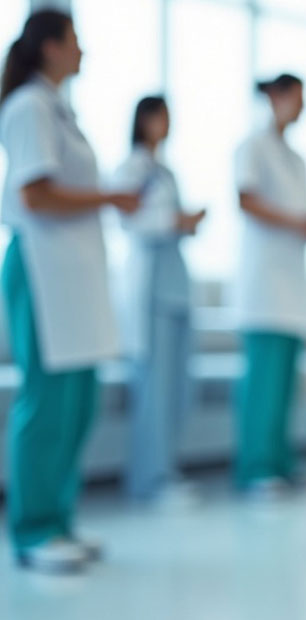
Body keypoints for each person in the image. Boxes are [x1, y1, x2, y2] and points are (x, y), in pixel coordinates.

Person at [0, 9, 139, 573]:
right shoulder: (29, 106)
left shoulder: (60, 109)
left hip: (74, 274)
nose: (83, 51)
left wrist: (105, 199)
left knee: (79, 402)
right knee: (48, 400)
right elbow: (35, 194)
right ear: (51, 47)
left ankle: (58, 519)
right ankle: (33, 529)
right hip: (40, 266)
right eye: (76, 40)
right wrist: (110, 199)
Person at [111, 95, 205, 506]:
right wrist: (173, 221)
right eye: (161, 116)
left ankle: (168, 469)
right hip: (149, 285)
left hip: (175, 281)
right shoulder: (130, 168)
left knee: (176, 384)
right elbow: (127, 221)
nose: (167, 124)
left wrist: (186, 224)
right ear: (144, 119)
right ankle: (149, 478)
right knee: (154, 385)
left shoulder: (166, 171)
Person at [232, 73, 306, 498]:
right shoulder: (252, 146)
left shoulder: (297, 159)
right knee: (263, 385)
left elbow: (294, 215)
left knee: (284, 385)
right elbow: (246, 200)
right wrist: (296, 221)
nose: (303, 107)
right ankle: (256, 469)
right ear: (276, 97)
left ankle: (280, 464)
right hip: (263, 287)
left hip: (291, 286)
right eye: (298, 99)